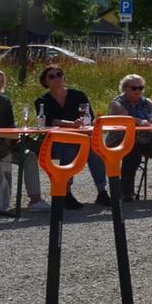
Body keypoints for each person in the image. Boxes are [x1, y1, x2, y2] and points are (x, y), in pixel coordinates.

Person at [33, 65, 107, 208]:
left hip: (80, 138)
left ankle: (102, 191)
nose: (57, 78)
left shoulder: (78, 95)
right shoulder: (42, 100)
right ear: (45, 82)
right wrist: (71, 124)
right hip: (54, 141)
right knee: (69, 147)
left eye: (59, 74)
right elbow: (48, 121)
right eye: (52, 76)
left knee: (95, 149)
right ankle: (65, 192)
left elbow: (88, 116)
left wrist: (83, 123)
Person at [107, 73, 152, 201]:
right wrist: (138, 120)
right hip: (122, 139)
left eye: (141, 88)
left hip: (146, 139)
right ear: (125, 88)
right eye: (134, 88)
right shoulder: (116, 103)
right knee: (133, 155)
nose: (138, 91)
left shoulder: (147, 102)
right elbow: (125, 117)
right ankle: (126, 192)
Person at [0, 67, 43, 212]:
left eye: (1, 81)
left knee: (29, 156)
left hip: (4, 144)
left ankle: (35, 200)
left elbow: (10, 126)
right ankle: (1, 205)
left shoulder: (4, 101)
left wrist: (6, 144)